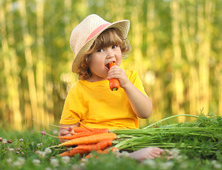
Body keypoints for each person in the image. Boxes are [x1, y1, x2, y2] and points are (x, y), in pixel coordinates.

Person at [58, 14, 165, 161]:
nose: (110, 54)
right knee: (89, 150)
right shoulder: (78, 90)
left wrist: (126, 85)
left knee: (134, 143)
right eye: (100, 50)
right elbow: (65, 131)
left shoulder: (130, 78)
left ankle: (124, 155)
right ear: (86, 59)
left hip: (127, 138)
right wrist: (67, 135)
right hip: (94, 141)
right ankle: (126, 157)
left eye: (114, 47)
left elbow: (145, 112)